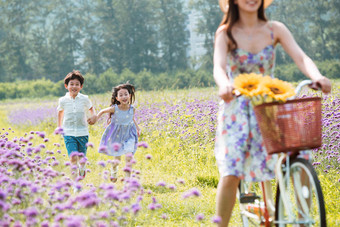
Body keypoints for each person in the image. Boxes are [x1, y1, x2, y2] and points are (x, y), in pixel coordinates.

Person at [213, 0, 332, 226]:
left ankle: (303, 219)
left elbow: (301, 57)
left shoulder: (274, 29)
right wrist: (224, 84)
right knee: (232, 171)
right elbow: (218, 67)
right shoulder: (226, 33)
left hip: (271, 104)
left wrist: (316, 76)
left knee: (299, 156)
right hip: (239, 107)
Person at [87, 83, 140, 182]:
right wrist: (96, 118)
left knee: (129, 156)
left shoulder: (132, 109)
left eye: (126, 94)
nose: (124, 97)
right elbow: (102, 111)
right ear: (117, 98)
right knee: (117, 160)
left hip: (129, 135)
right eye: (121, 95)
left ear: (130, 95)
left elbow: (132, 119)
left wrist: (137, 128)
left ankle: (128, 180)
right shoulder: (115, 108)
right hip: (117, 136)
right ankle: (114, 171)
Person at [57, 70, 96, 190]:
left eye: (77, 84)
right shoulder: (62, 100)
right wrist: (59, 127)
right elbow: (60, 112)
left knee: (82, 159)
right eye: (71, 84)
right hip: (68, 132)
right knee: (73, 158)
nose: (74, 86)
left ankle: (82, 168)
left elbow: (91, 109)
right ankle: (76, 185)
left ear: (81, 86)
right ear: (66, 86)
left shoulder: (84, 98)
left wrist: (93, 116)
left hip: (82, 132)